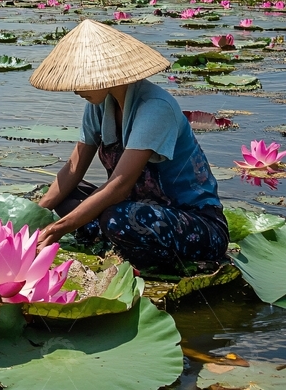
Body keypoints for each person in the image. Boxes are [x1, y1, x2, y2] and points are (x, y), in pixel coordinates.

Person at [29, 19, 229, 270]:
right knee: (65, 192)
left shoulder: (155, 107)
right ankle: (109, 237)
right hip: (137, 209)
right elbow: (72, 169)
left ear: (107, 74)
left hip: (195, 222)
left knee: (116, 219)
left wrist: (57, 228)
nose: (76, 89)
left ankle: (147, 256)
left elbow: (119, 186)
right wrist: (32, 217)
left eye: (83, 79)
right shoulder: (99, 105)